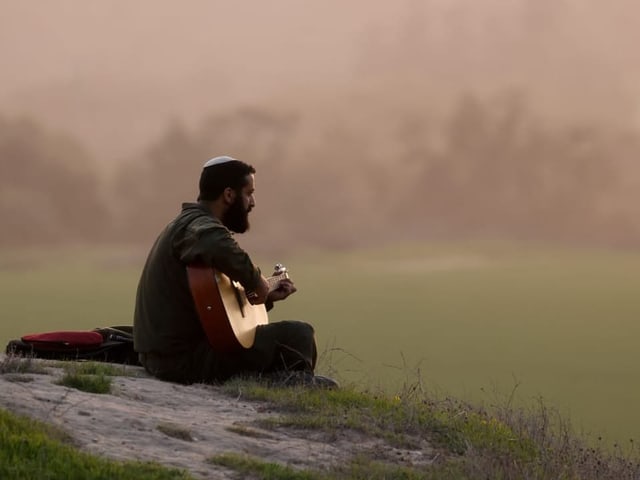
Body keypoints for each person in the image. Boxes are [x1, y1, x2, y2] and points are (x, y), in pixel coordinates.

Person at [133, 156, 337, 388]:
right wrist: (258, 283)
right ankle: (292, 387)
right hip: (184, 362)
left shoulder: (183, 225)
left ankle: (279, 380)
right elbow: (215, 243)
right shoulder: (199, 227)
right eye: (249, 193)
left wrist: (266, 296)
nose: (253, 202)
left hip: (173, 356)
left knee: (289, 339)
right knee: (299, 333)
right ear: (229, 195)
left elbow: (216, 312)